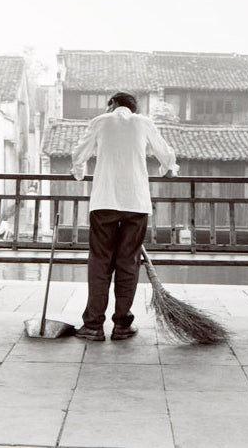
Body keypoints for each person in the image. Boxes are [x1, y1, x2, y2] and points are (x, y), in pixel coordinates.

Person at [71, 91, 179, 341]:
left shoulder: (100, 121)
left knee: (100, 263)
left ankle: (93, 325)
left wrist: (78, 173)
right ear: (133, 108)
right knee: (128, 263)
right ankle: (122, 324)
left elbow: (79, 154)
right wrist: (168, 169)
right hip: (136, 203)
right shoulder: (145, 123)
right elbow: (166, 154)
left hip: (104, 202)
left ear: (112, 104)